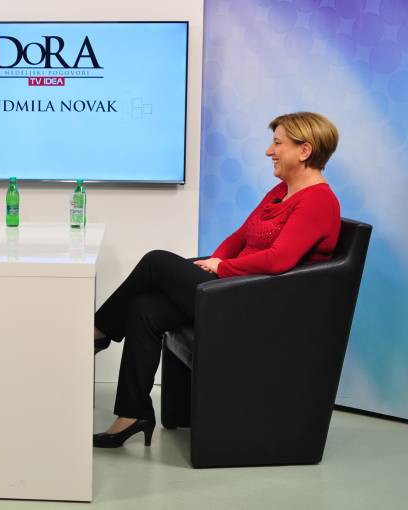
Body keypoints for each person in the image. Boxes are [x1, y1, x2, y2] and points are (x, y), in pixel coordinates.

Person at [92, 112, 341, 448]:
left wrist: (221, 268)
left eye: (277, 143)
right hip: (235, 291)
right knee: (145, 308)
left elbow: (278, 259)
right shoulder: (281, 191)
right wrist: (212, 264)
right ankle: (132, 414)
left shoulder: (319, 201)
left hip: (259, 307)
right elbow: (240, 237)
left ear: (305, 150)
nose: (269, 151)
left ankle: (98, 332)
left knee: (156, 261)